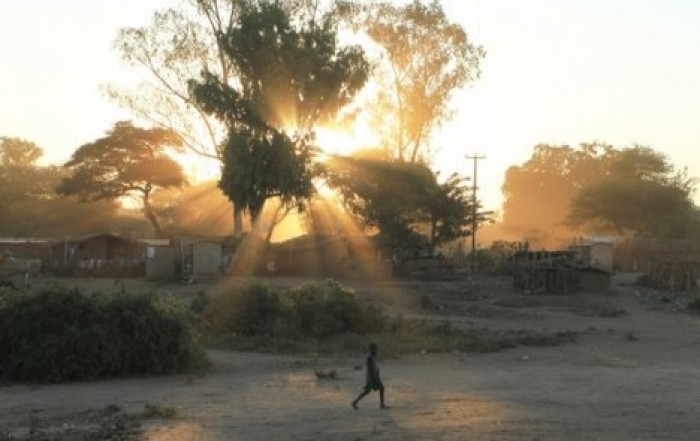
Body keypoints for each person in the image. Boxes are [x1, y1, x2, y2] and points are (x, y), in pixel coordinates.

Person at [351, 343, 389, 410]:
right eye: (374, 349)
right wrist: (374, 376)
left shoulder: (373, 357)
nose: (376, 350)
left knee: (380, 388)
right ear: (371, 350)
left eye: (376, 349)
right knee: (367, 391)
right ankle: (355, 402)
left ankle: (382, 404)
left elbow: (374, 367)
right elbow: (370, 368)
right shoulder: (369, 358)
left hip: (375, 376)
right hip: (372, 377)